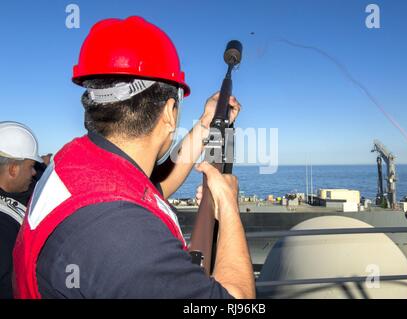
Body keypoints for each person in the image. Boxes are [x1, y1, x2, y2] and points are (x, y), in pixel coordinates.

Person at [13, 16, 255, 299]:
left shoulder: (75, 162)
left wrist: (204, 123)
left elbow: (152, 189)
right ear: (168, 112)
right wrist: (227, 205)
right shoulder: (126, 237)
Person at [0, 121, 48, 299]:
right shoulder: (3, 227)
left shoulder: (19, 192)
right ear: (13, 169)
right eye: (30, 167)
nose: (34, 173)